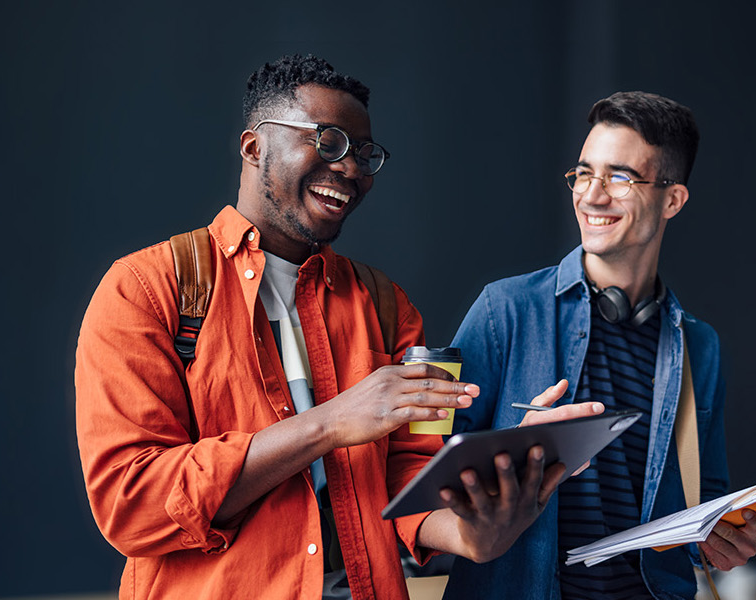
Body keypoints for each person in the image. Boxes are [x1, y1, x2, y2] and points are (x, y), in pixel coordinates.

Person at [73, 55, 583, 600]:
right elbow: (131, 505)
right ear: (253, 148)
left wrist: (479, 527)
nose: (352, 169)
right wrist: (331, 423)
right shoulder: (145, 289)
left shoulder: (389, 307)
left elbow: (409, 476)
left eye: (365, 154)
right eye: (330, 142)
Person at [441, 91, 756, 599]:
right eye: (583, 173)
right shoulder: (504, 309)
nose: (591, 195)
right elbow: (425, 472)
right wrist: (515, 448)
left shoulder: (700, 346)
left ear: (672, 199)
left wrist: (728, 537)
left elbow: (707, 500)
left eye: (620, 177)